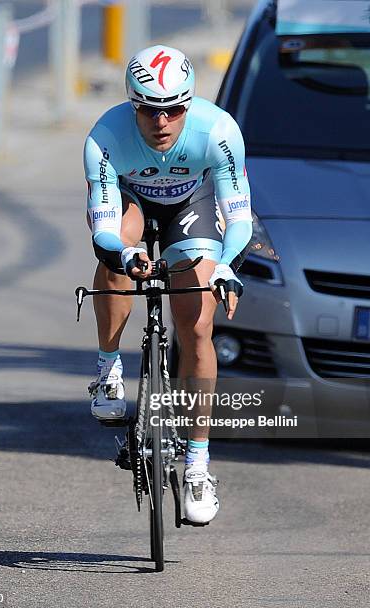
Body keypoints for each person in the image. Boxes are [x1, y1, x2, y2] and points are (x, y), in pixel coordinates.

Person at [83, 45, 252, 525]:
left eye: (175, 109)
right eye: (150, 110)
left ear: (190, 104)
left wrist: (226, 266)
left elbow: (239, 215)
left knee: (197, 324)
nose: (163, 121)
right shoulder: (105, 137)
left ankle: (198, 464)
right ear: (133, 105)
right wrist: (123, 251)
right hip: (131, 200)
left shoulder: (217, 132)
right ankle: (109, 367)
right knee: (120, 251)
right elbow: (103, 224)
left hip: (191, 205)